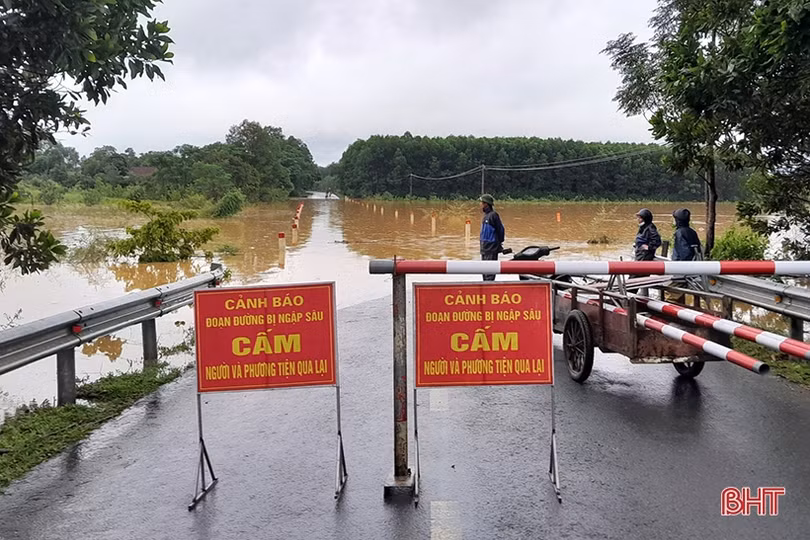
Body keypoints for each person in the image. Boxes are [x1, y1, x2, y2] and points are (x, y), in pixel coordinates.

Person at [479, 194, 505, 281]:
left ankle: (489, 290)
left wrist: (499, 243)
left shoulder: (493, 215)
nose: (480, 205)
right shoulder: (485, 216)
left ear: (486, 204)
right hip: (484, 248)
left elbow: (500, 230)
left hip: (491, 248)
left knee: (489, 273)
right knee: (484, 272)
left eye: (482, 203)